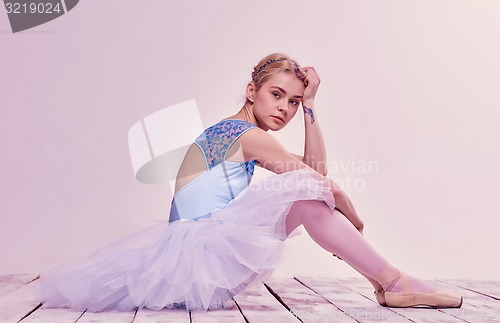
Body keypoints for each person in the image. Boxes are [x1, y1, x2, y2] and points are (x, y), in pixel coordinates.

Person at [36, 53, 463, 312]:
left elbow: (314, 171)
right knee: (312, 198)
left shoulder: (233, 133)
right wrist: (349, 209)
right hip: (202, 266)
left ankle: (388, 283)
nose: (285, 109)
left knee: (309, 194)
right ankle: (393, 283)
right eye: (277, 95)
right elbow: (321, 181)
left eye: (294, 102)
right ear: (251, 91)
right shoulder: (251, 137)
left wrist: (312, 106)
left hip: (192, 261)